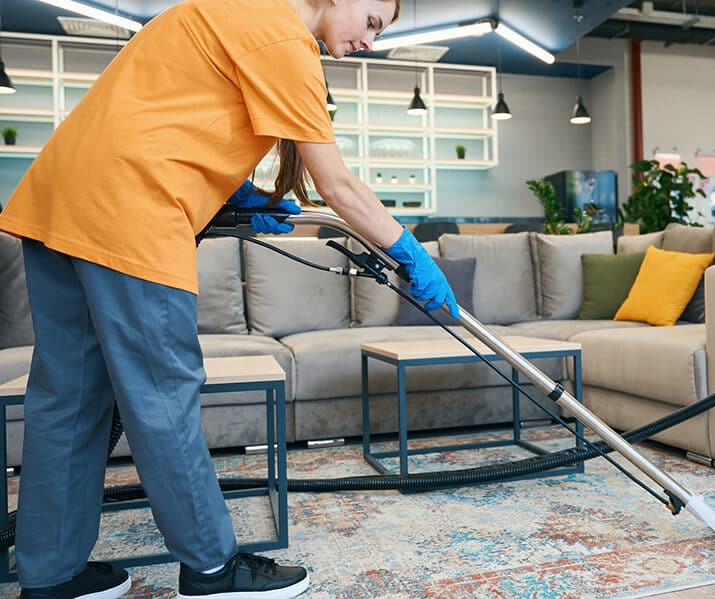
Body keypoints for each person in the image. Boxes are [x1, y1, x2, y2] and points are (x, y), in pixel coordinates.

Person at [0, 0, 459, 597]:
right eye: (372, 22)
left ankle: (51, 574)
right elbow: (337, 184)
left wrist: (228, 190)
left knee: (69, 395)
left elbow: (161, 111)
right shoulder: (285, 42)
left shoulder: (222, 10)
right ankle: (213, 567)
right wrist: (410, 250)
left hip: (57, 201)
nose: (371, 41)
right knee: (162, 394)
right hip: (132, 212)